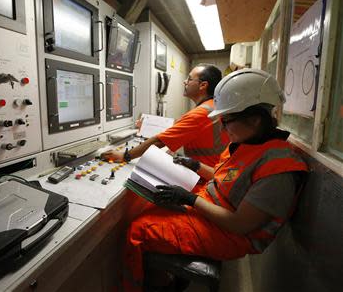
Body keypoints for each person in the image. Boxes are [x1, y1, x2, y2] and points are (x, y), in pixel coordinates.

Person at [123, 69, 308, 292]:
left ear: (254, 120)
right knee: (152, 207)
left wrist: (190, 199)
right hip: (212, 210)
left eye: (227, 120)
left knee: (138, 229)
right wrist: (196, 166)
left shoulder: (279, 168)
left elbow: (240, 225)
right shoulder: (250, 145)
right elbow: (227, 180)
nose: (222, 127)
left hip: (231, 234)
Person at [101, 64, 229, 171]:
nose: (185, 82)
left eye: (189, 79)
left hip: (203, 178)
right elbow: (191, 131)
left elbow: (159, 141)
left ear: (203, 85)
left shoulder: (199, 114)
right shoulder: (214, 106)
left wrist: (125, 155)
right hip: (214, 169)